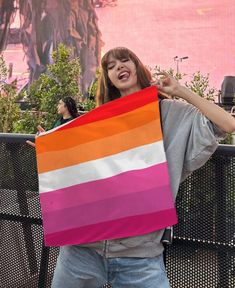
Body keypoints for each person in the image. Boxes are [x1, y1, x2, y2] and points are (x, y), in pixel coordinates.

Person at [51, 47, 235, 288]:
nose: (118, 67)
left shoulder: (169, 113)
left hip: (139, 255)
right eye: (110, 66)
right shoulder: (99, 120)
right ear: (108, 78)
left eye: (124, 60)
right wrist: (51, 150)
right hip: (82, 249)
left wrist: (179, 90)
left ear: (137, 66)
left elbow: (227, 124)